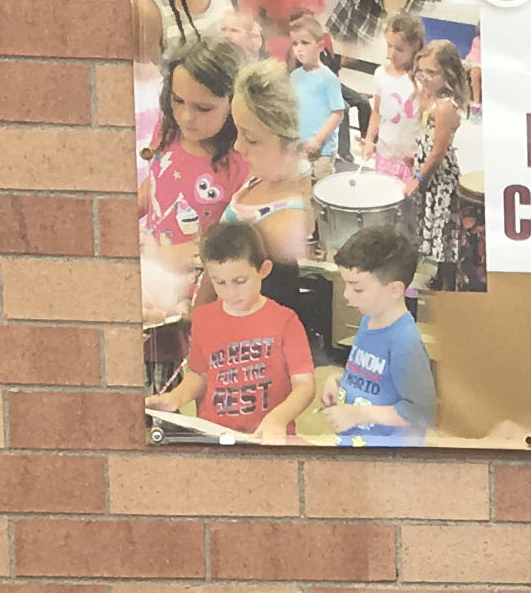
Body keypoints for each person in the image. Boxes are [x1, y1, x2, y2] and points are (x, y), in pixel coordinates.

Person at [159, 218, 315, 441]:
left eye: (240, 281)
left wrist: (278, 418)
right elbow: (199, 376)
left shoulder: (285, 320)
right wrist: (175, 398)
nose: (230, 293)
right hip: (215, 435)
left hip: (267, 437)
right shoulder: (204, 318)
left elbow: (305, 386)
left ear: (263, 270)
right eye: (219, 282)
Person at [139, 32, 246, 322]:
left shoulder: (240, 161)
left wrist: (197, 311)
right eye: (178, 100)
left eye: (203, 108)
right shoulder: (169, 128)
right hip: (150, 272)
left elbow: (236, 248)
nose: (186, 116)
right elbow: (156, 181)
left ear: (234, 103)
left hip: (197, 295)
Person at [321, 225, 436, 446]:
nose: (346, 295)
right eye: (346, 284)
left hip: (387, 460)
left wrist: (358, 415)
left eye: (357, 288)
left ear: (394, 290)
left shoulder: (405, 342)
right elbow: (373, 377)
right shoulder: (369, 319)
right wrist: (337, 380)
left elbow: (421, 413)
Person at [224, 63, 318, 272]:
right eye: (237, 131)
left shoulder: (282, 227)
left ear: (289, 141)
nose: (238, 146)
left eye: (251, 139)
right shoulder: (263, 174)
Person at [409, 39, 482, 290]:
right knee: (436, 233)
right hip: (428, 172)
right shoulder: (427, 99)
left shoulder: (444, 107)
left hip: (439, 178)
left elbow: (438, 152)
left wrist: (418, 178)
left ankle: (447, 284)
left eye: (432, 72)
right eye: (422, 71)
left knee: (444, 236)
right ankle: (439, 277)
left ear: (447, 73)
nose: (425, 77)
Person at [368, 14, 427, 185]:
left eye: (399, 49)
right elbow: (377, 112)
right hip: (385, 155)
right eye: (389, 46)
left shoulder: (421, 80)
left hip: (411, 159)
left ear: (415, 47)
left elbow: (428, 122)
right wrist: (369, 140)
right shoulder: (380, 74)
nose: (392, 53)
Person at [286, 10, 347, 164]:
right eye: (295, 44)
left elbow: (337, 114)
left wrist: (318, 140)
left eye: (305, 43)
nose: (299, 49)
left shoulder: (329, 79)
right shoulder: (294, 76)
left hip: (322, 151)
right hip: (299, 148)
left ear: (320, 46)